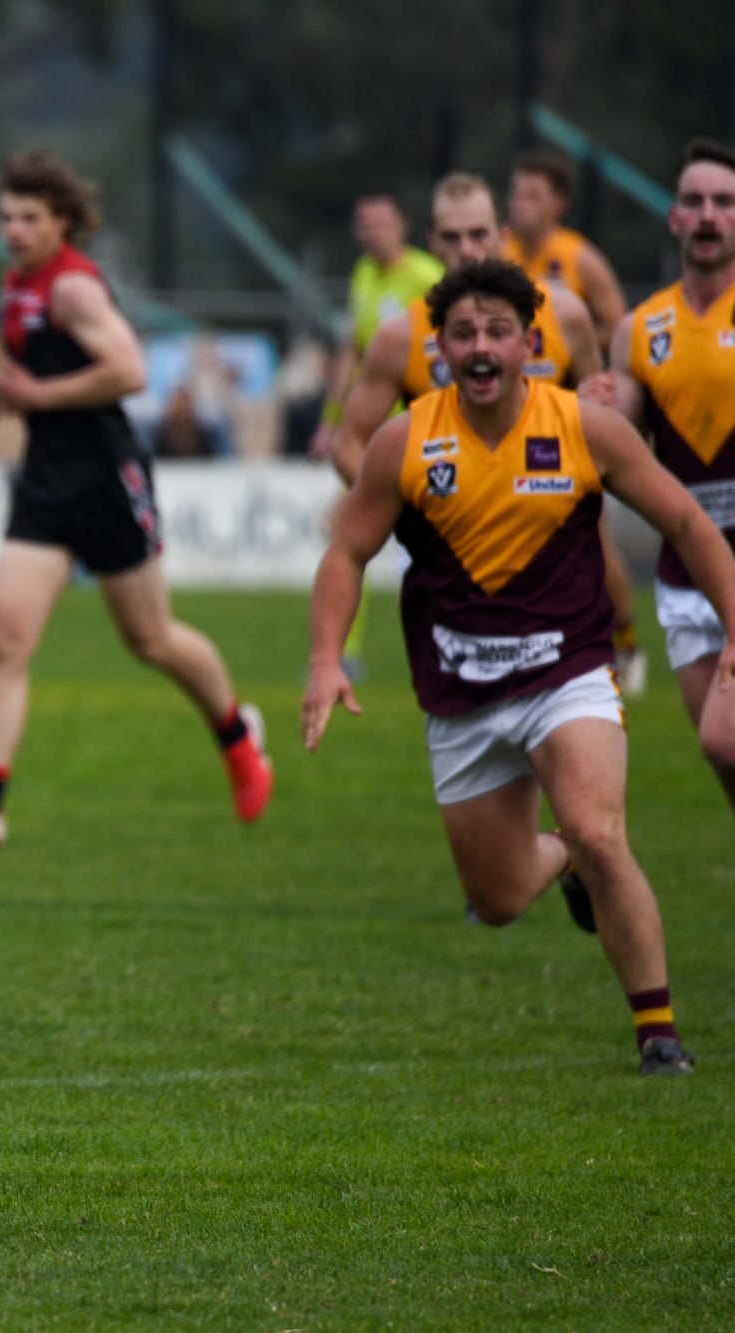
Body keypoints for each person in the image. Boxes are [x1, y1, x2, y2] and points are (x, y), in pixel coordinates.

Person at [303, 259, 735, 1076]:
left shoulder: (583, 428)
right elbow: (346, 551)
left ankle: (659, 1034)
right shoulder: (407, 440)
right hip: (461, 691)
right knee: (497, 901)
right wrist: (326, 660)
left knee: (600, 829)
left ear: (530, 343)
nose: (480, 347)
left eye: (498, 331)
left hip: (568, 670)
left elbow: (685, 522)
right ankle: (561, 859)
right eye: (463, 332)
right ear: (440, 349)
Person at [0, 150, 273, 846]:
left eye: (29, 218)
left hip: (107, 475)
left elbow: (129, 370)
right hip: (48, 475)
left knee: (151, 638)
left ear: (62, 222)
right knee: (5, 636)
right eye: (6, 217)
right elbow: (38, 363)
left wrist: (33, 394)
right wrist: (1, 385)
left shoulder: (74, 288)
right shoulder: (17, 281)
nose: (13, 230)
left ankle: (236, 733)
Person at [331, 173, 643, 695]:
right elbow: (348, 439)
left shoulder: (563, 312)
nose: (466, 250)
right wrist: (389, 500)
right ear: (431, 243)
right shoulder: (402, 335)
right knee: (480, 701)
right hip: (458, 537)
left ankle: (628, 646)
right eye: (450, 238)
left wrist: (601, 427)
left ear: (502, 235)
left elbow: (601, 404)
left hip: (554, 518)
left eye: (478, 235)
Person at [580, 137, 735, 813]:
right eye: (695, 201)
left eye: (725, 202)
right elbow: (630, 440)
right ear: (673, 217)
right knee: (721, 750)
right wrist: (597, 409)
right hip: (684, 570)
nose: (708, 215)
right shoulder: (641, 329)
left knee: (724, 740)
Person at [310, 192, 444, 460]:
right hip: (367, 417)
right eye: (365, 225)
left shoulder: (427, 276)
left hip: (413, 418)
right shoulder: (363, 272)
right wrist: (329, 421)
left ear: (403, 225)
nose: (373, 233)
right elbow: (353, 347)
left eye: (381, 224)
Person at [504, 148, 628, 345]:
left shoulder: (580, 256)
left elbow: (617, 326)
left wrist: (569, 347)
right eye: (516, 195)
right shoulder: (497, 248)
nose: (520, 204)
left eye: (533, 196)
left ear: (559, 203)